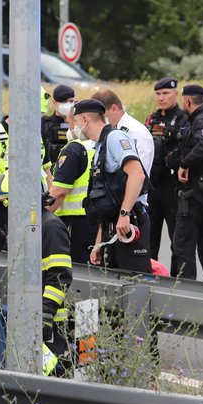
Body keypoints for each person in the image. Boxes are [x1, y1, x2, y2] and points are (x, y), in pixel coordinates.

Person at [75, 98, 151, 273]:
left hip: (129, 222)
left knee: (134, 283)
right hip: (113, 226)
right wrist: (99, 243)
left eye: (76, 121)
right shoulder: (100, 146)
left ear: (85, 120)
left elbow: (137, 174)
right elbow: (105, 201)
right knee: (112, 289)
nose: (74, 127)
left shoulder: (116, 138)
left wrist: (124, 214)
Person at [170, 84, 203, 282]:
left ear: (187, 101)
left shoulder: (200, 120)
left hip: (197, 190)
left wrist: (184, 163)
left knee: (182, 245)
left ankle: (188, 295)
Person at [0, 99, 51, 232]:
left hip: (36, 209)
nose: (37, 120)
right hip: (2, 212)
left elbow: (46, 171)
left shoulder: (37, 132)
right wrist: (7, 199)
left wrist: (49, 204)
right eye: (34, 114)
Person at [47, 103, 99, 264]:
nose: (69, 129)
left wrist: (40, 217)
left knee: (75, 269)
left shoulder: (74, 148)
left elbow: (59, 191)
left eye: (70, 123)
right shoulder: (100, 145)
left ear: (77, 122)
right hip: (98, 219)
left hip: (75, 221)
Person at [145, 77, 189, 261]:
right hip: (153, 186)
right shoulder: (151, 119)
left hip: (173, 186)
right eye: (158, 94)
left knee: (177, 241)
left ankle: (175, 282)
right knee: (149, 239)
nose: (161, 98)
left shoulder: (183, 118)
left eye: (165, 93)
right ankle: (149, 278)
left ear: (176, 94)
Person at [93, 88, 154, 181]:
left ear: (114, 108)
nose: (100, 120)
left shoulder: (135, 132)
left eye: (101, 115)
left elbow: (140, 172)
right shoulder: (112, 130)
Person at [41, 208, 73, 373]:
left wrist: (46, 313)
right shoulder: (29, 225)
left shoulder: (51, 227)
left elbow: (61, 277)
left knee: (51, 375)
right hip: (34, 319)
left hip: (50, 322)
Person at [41, 84, 74, 167]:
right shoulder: (44, 123)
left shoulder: (80, 125)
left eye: (70, 101)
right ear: (54, 103)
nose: (67, 105)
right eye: (63, 102)